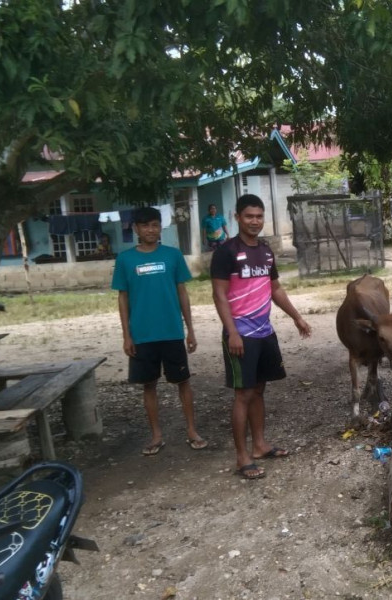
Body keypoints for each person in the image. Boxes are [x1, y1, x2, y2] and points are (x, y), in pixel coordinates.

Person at [211, 194, 312, 480]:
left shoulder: (266, 251)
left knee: (258, 390)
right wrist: (232, 332)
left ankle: (259, 445)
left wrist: (296, 317)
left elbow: (275, 288)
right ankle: (242, 457)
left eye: (259, 216)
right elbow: (219, 294)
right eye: (249, 216)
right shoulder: (226, 252)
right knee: (242, 394)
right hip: (240, 334)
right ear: (237, 217)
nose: (254, 221)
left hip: (265, 331)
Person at [112, 206, 208, 455]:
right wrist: (127, 335)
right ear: (136, 229)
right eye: (145, 225)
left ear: (160, 227)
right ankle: (156, 435)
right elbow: (123, 298)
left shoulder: (172, 255)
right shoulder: (125, 259)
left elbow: (182, 292)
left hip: (172, 332)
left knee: (183, 382)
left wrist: (190, 330)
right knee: (149, 385)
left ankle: (192, 430)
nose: (150, 230)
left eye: (155, 225)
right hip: (142, 335)